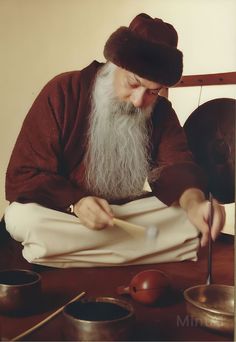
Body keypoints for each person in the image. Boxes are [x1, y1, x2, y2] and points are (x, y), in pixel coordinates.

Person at [4, 13, 225, 268]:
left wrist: (195, 204)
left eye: (152, 92)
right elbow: (24, 173)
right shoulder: (63, 90)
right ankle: (135, 252)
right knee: (22, 218)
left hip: (121, 215)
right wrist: (75, 202)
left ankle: (68, 255)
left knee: (188, 219)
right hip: (66, 215)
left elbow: (177, 166)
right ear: (114, 64)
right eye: (133, 83)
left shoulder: (160, 111)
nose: (139, 101)